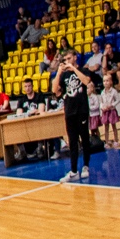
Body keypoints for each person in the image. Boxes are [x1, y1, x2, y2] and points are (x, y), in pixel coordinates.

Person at [52, 53, 94, 182]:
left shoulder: (83, 70)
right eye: (65, 59)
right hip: (69, 111)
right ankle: (74, 170)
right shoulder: (64, 75)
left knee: (84, 139)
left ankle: (86, 166)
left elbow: (86, 81)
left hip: (81, 110)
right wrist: (59, 72)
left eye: (69, 58)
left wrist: (74, 69)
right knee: (72, 141)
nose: (67, 61)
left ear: (75, 58)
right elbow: (55, 90)